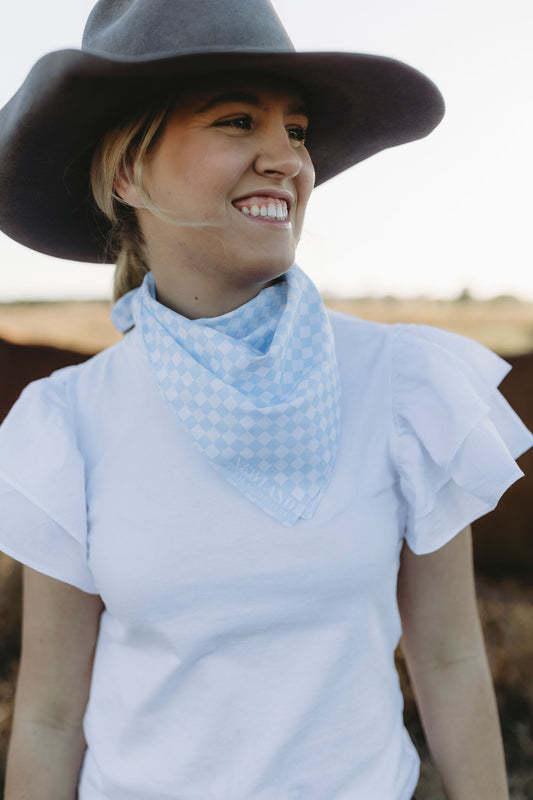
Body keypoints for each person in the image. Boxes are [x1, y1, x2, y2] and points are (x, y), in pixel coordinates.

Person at [0, 1, 531, 799]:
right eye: (237, 120)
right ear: (126, 173)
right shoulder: (69, 422)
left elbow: (450, 659)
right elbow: (46, 712)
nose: (286, 157)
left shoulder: (400, 384)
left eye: (298, 129)